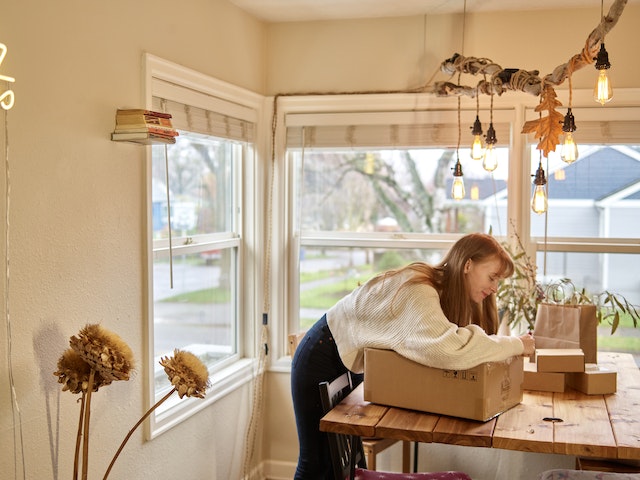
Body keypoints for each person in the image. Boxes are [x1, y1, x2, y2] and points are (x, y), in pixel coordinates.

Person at [290, 232, 536, 479]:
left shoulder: (438, 289)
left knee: (344, 468)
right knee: (317, 463)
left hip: (342, 357)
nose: (495, 288)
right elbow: (450, 349)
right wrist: (516, 344)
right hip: (320, 356)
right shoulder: (420, 291)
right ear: (468, 264)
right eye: (493, 277)